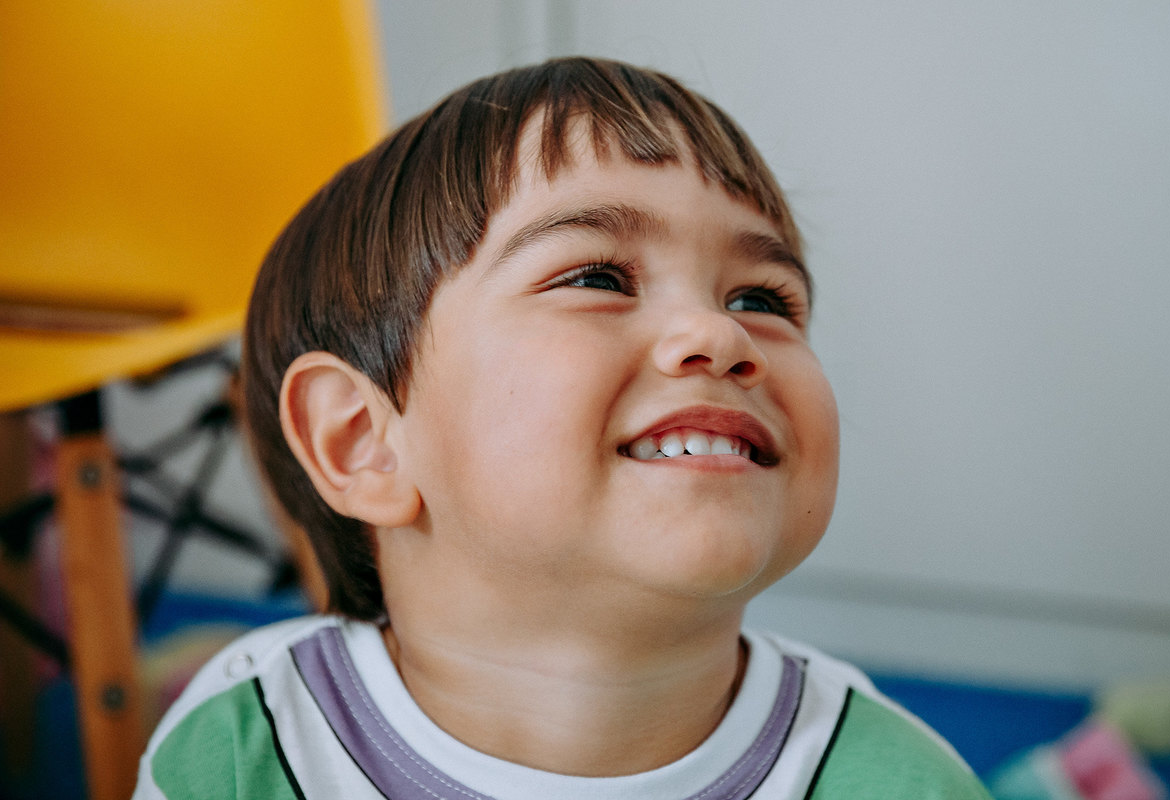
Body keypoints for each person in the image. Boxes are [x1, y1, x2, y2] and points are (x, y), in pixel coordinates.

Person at [134, 57, 993, 799]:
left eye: (761, 299)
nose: (721, 336)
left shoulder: (900, 781)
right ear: (363, 441)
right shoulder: (243, 749)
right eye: (598, 277)